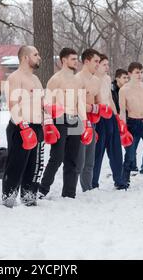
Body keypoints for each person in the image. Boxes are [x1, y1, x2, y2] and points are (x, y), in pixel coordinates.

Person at [2, 46, 59, 207]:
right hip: (21, 127)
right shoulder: (15, 77)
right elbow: (12, 104)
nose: (39, 57)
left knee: (35, 165)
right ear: (26, 57)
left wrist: (48, 123)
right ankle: (8, 198)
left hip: (37, 127)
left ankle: (29, 196)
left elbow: (43, 103)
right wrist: (23, 126)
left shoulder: (35, 79)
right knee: (16, 164)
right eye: (36, 54)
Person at [38, 48, 87, 199]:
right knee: (57, 156)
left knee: (73, 159)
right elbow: (46, 103)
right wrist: (47, 123)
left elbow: (81, 103)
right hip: (59, 118)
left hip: (75, 119)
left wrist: (85, 123)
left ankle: (69, 193)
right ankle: (43, 189)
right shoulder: (56, 79)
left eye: (76, 59)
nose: (76, 62)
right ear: (64, 60)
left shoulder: (78, 80)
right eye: (73, 59)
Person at [75, 49, 113, 192]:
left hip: (92, 122)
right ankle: (70, 190)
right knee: (79, 160)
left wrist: (100, 110)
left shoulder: (97, 81)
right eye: (96, 61)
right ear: (86, 61)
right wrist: (95, 109)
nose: (98, 64)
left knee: (90, 161)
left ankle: (88, 189)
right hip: (78, 122)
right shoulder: (77, 79)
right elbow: (77, 104)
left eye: (99, 61)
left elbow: (99, 103)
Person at [92, 54, 123, 188]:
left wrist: (117, 116)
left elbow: (110, 98)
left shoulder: (107, 78)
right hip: (98, 117)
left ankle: (119, 181)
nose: (107, 67)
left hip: (110, 115)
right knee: (98, 152)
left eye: (107, 64)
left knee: (116, 150)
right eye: (104, 64)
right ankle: (93, 183)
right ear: (97, 65)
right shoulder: (92, 79)